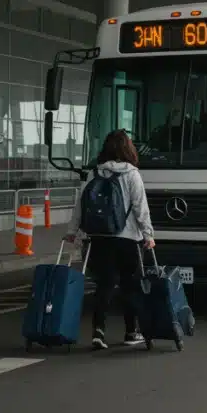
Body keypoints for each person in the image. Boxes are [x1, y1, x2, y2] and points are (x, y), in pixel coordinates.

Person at [65, 129, 156, 350]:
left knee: (104, 285)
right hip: (127, 239)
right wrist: (148, 234)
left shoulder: (94, 173)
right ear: (128, 148)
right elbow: (140, 207)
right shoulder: (132, 174)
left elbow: (81, 205)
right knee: (130, 287)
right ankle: (131, 332)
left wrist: (73, 230)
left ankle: (98, 331)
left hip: (98, 237)